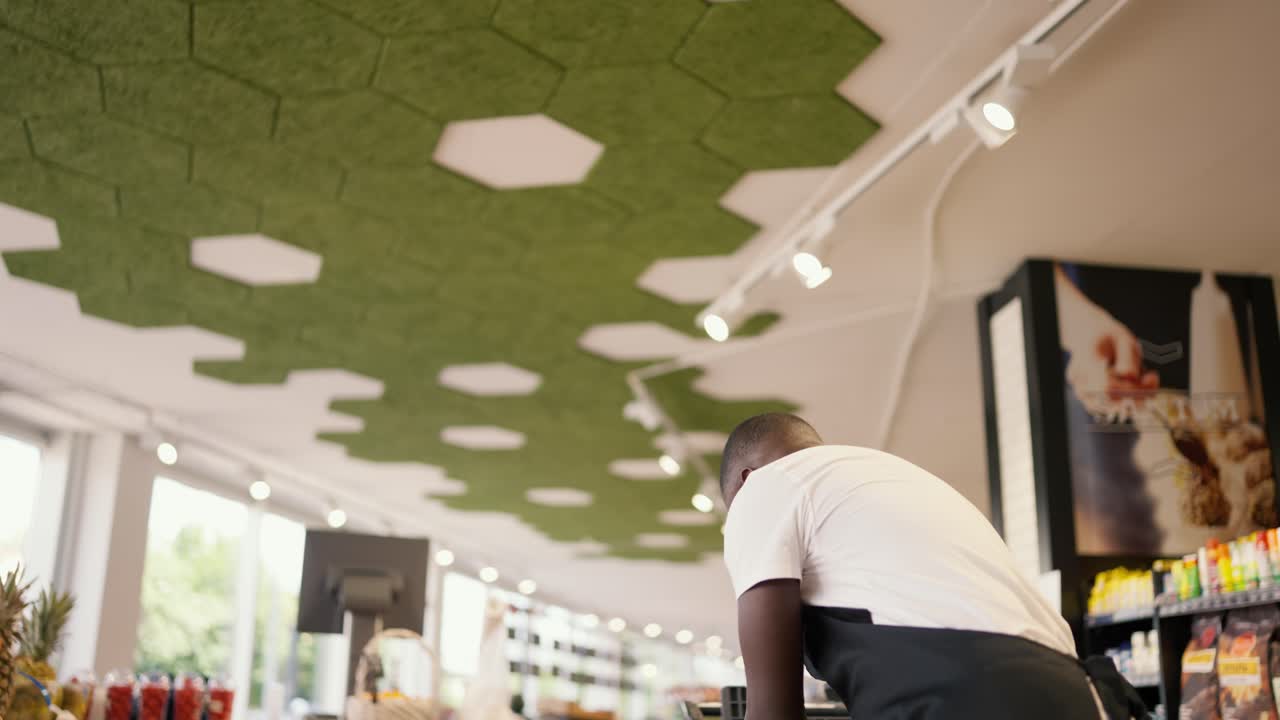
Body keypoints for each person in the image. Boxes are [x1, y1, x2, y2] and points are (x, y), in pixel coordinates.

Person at [720, 413, 1145, 720]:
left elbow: (774, 709)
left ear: (742, 479)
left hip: (964, 695)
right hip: (1080, 695)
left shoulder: (763, 488)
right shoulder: (886, 474)